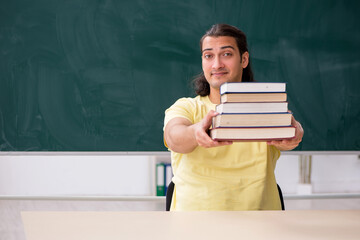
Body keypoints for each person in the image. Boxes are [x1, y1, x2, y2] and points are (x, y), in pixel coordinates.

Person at [163, 24, 304, 211]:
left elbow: (292, 133)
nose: (217, 64)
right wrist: (196, 132)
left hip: (260, 223)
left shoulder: (267, 108)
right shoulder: (187, 107)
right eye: (208, 56)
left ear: (244, 59)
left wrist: (294, 134)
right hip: (194, 224)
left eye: (227, 54)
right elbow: (174, 136)